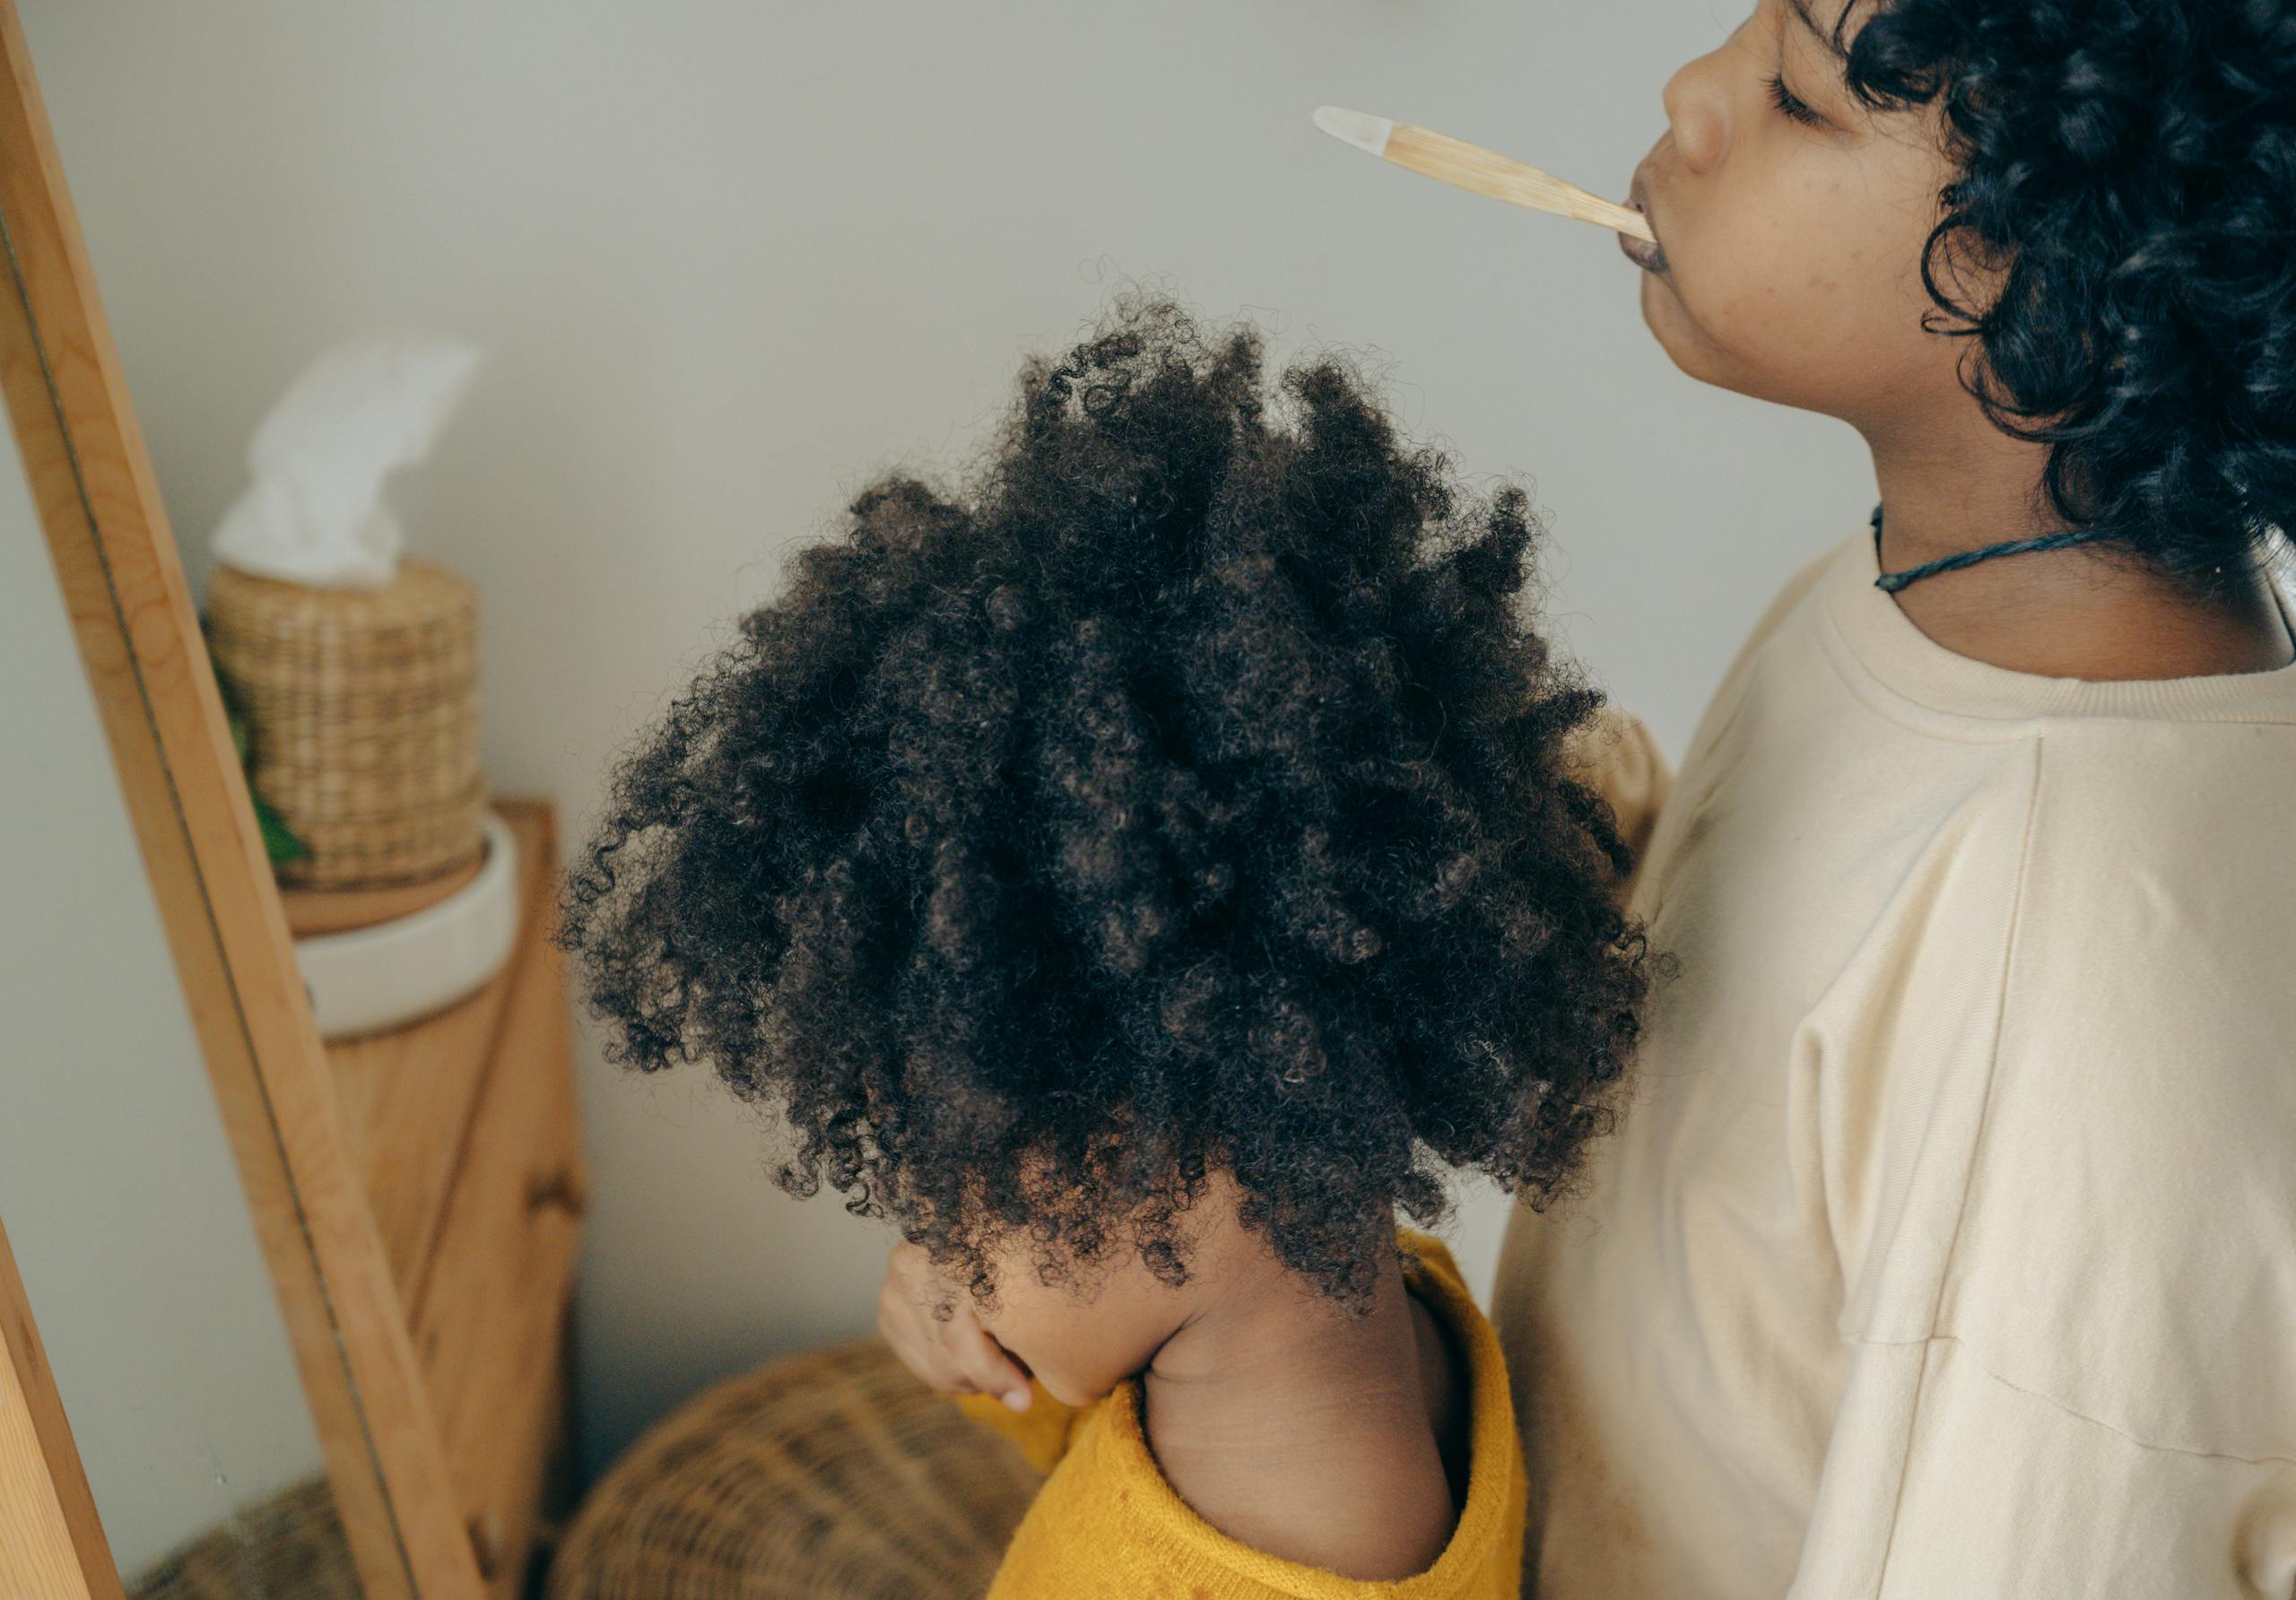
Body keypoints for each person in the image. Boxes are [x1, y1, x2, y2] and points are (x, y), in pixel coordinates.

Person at [553, 291, 1659, 1596]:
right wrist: (1005, 1345)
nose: (941, 1242)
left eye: (989, 1174)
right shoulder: (1358, 1279)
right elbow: (1094, 1370)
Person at [1492, 0, 2296, 1594]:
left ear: (2071, 288)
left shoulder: (2080, 973)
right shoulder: (1891, 605)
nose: (1692, 92)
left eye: (1797, 98)